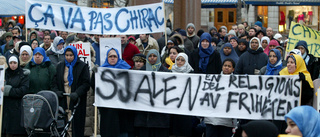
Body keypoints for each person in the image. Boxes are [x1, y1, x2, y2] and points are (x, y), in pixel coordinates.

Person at [53, 46, 90, 137]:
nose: (68, 57)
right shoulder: (60, 66)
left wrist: (77, 93)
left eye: (71, 55)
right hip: (63, 97)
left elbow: (86, 83)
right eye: (66, 55)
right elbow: (54, 82)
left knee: (76, 123)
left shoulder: (82, 66)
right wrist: (57, 91)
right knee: (63, 121)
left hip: (76, 98)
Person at [98, 48, 134, 137]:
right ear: (107, 58)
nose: (113, 58)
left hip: (122, 109)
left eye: (115, 56)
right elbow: (94, 86)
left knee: (122, 130)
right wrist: (94, 75)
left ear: (118, 57)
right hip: (108, 110)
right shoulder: (101, 70)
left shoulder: (126, 69)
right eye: (110, 56)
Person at [135, 49, 170, 137]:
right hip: (144, 117)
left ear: (158, 57)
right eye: (150, 56)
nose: (152, 58)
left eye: (154, 56)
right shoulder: (141, 72)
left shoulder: (166, 72)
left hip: (160, 117)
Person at [204, 59, 236, 137]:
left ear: (233, 69)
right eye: (225, 65)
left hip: (227, 121)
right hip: (211, 120)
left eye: (229, 66)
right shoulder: (213, 80)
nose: (226, 68)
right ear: (222, 67)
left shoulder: (237, 82)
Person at [1, 55, 29, 136]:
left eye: (15, 63)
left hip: (17, 107)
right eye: (11, 63)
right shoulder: (4, 73)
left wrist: (8, 91)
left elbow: (23, 90)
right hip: (6, 108)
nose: (13, 65)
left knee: (15, 132)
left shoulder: (23, 75)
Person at [170, 53, 194, 136]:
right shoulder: (170, 72)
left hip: (186, 107)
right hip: (173, 104)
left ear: (186, 61)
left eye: (182, 60)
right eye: (178, 59)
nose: (179, 62)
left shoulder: (191, 73)